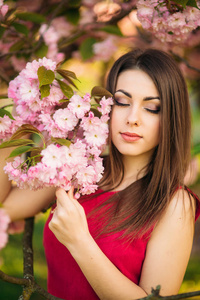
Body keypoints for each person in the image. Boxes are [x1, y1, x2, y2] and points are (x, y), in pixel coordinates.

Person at [1, 48, 200, 300]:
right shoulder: (80, 170)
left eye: (152, 108)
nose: (133, 118)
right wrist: (15, 118)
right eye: (122, 102)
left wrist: (78, 241)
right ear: (106, 106)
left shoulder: (175, 204)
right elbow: (5, 207)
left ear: (171, 117)